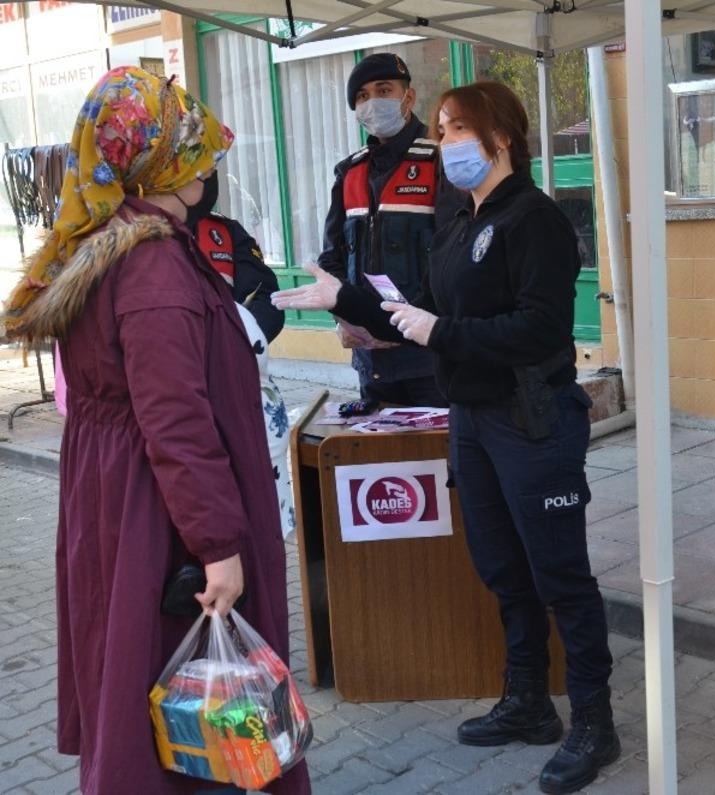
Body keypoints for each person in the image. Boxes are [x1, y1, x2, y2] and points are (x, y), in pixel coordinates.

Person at [271, 81, 617, 795]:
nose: (447, 140)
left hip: (533, 420)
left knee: (562, 578)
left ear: (501, 137)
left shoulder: (536, 220)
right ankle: (527, 700)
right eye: (443, 127)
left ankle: (593, 719)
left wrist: (445, 334)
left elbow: (543, 328)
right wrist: (347, 297)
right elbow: (417, 308)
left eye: (458, 128)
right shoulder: (460, 217)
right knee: (501, 567)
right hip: (475, 422)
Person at [3, 67, 309, 794]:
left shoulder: (107, 244)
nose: (208, 162)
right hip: (159, 518)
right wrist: (219, 546)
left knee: (139, 677)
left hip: (124, 502)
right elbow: (176, 422)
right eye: (193, 146)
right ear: (159, 159)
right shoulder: (152, 267)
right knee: (185, 704)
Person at [315, 52, 446, 407]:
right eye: (362, 96)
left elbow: (453, 255)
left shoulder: (440, 161)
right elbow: (332, 257)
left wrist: (405, 325)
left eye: (383, 90)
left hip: (430, 360)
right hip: (370, 360)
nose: (372, 102)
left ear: (409, 97)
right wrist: (346, 316)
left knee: (438, 460)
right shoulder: (349, 173)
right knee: (383, 461)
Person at [189, 173, 294, 537]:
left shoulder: (225, 232)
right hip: (182, 396)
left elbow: (268, 299)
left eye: (209, 170)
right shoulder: (138, 239)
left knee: (259, 517)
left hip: (237, 387)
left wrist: (239, 341)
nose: (205, 178)